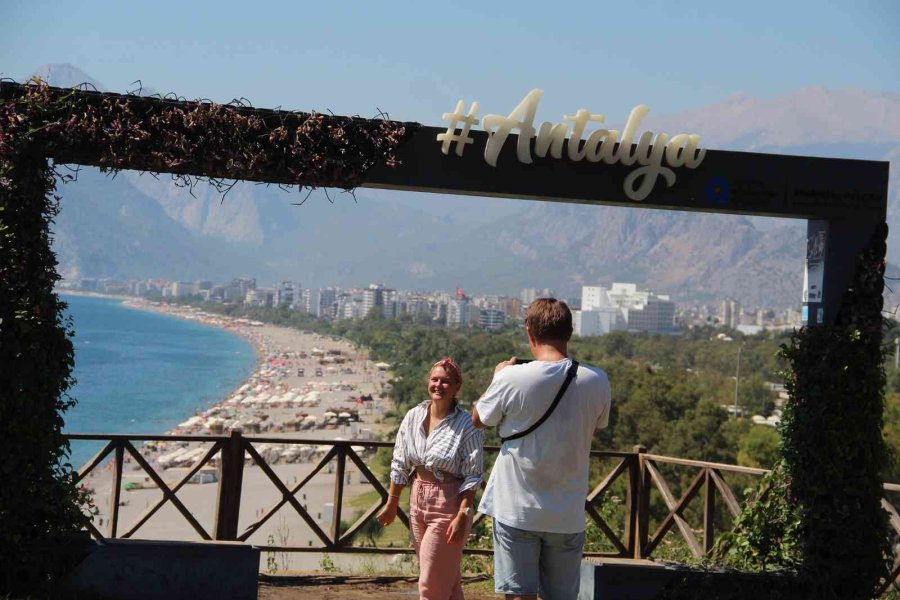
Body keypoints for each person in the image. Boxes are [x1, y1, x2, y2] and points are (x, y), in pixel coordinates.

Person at [472, 298, 611, 600]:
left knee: (519, 595)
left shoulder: (511, 377)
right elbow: (595, 427)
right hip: (567, 512)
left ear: (530, 332)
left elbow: (479, 419)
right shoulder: (598, 380)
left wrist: (497, 378)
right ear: (570, 332)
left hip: (516, 507)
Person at [377, 357, 484, 600]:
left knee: (430, 585)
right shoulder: (413, 416)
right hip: (418, 498)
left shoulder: (467, 425)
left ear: (457, 386)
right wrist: (392, 502)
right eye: (434, 379)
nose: (438, 385)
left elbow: (473, 475)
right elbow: (400, 461)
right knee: (447, 583)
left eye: (445, 381)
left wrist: (463, 514)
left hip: (449, 503)